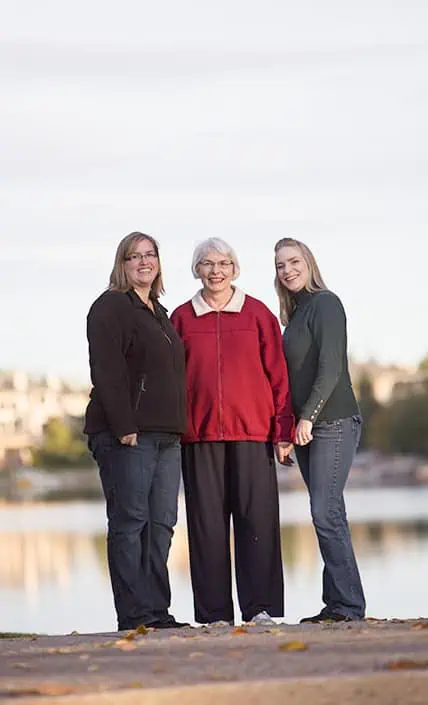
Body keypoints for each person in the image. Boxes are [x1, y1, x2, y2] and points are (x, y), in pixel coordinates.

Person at [171, 237, 295, 627]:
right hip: (199, 434)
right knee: (206, 527)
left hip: (253, 433)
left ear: (235, 268)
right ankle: (213, 616)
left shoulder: (258, 314)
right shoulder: (181, 319)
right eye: (207, 263)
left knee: (257, 522)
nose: (216, 271)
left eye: (223, 263)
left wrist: (283, 429)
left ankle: (261, 609)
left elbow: (279, 375)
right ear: (197, 270)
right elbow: (172, 380)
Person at [84, 231, 188, 631]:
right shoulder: (110, 307)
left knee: (161, 524)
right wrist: (125, 426)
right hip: (127, 435)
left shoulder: (158, 312)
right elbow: (106, 371)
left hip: (166, 436)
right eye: (134, 257)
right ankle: (133, 614)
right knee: (130, 523)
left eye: (150, 255)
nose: (144, 262)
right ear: (121, 264)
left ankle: (157, 611)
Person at [274, 237, 366, 623]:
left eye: (294, 261)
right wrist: (287, 429)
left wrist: (308, 416)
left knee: (324, 512)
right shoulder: (298, 313)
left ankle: (348, 606)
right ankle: (338, 604)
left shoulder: (326, 303)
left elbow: (331, 366)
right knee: (330, 513)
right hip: (308, 427)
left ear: (308, 263)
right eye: (280, 265)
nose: (287, 270)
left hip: (334, 421)